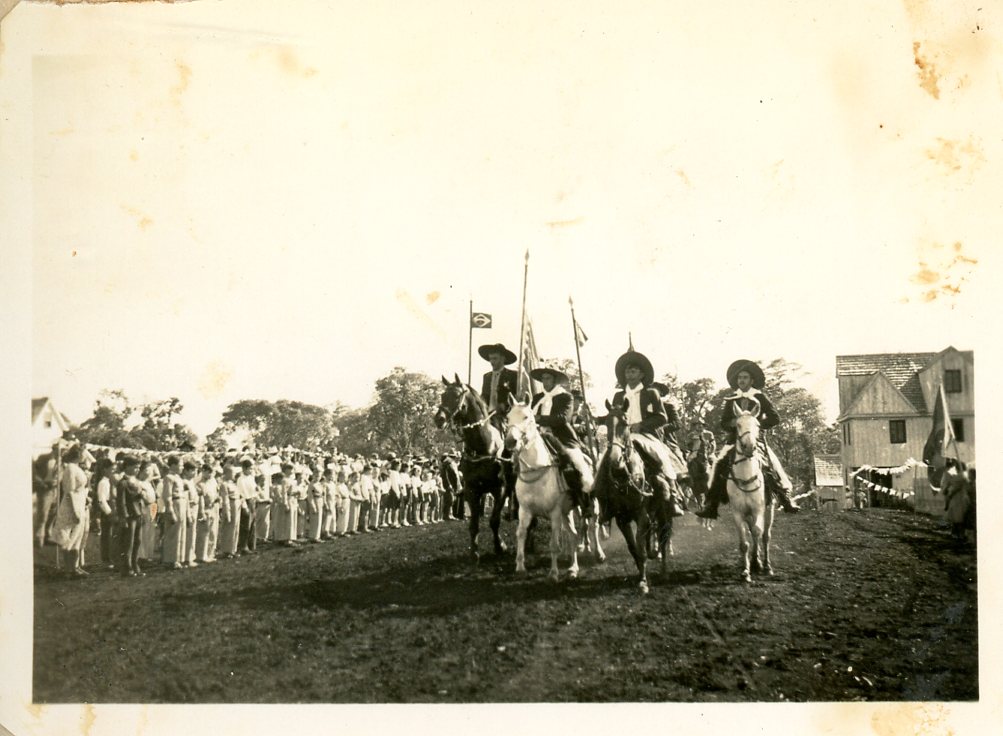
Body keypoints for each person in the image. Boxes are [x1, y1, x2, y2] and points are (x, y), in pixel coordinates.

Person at [696, 359, 800, 519]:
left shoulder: (760, 397)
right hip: (734, 440)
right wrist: (733, 424)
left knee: (772, 464)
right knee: (718, 464)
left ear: (752, 380)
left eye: (745, 377)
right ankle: (711, 505)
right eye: (739, 378)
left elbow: (775, 418)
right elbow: (723, 422)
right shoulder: (732, 398)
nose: (741, 381)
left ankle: (785, 499)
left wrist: (755, 425)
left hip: (755, 440)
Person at [604, 348, 687, 520]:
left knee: (662, 456)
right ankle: (603, 498)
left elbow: (662, 417)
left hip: (647, 435)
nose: (629, 374)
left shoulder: (651, 393)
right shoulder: (618, 396)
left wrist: (641, 425)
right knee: (605, 457)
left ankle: (673, 494)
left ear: (642, 374)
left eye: (633, 371)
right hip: (623, 436)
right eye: (627, 371)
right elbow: (614, 416)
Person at [527, 366, 593, 509]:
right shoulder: (537, 398)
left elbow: (563, 418)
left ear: (555, 380)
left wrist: (539, 418)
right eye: (543, 379)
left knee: (576, 461)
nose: (545, 382)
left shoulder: (566, 397)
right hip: (538, 436)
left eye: (548, 378)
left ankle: (584, 498)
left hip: (561, 437)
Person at [49, 445, 90, 576]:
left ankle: (75, 567)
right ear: (78, 454)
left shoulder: (76, 468)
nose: (85, 456)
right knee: (69, 538)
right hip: (71, 506)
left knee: (77, 536)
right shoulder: (70, 469)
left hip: (80, 503)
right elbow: (69, 492)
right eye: (84, 453)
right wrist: (74, 511)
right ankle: (69, 569)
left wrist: (85, 499)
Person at [115, 454, 151, 577]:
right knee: (128, 543)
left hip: (138, 513)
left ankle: (135, 565)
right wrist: (123, 517)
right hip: (129, 516)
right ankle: (127, 568)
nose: (137, 469)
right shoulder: (123, 483)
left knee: (137, 541)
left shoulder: (136, 481)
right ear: (127, 467)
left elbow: (141, 497)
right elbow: (121, 502)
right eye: (135, 467)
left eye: (138, 467)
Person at [478, 343, 520, 427]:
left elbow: (516, 396)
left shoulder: (512, 375)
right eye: (490, 359)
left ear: (503, 359)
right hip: (487, 415)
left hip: (505, 415)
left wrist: (504, 406)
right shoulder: (487, 376)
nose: (492, 362)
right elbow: (484, 395)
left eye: (495, 358)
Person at [93, 457, 117, 569]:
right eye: (112, 469)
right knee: (107, 535)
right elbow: (101, 500)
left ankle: (111, 558)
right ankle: (106, 559)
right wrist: (109, 512)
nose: (113, 471)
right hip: (107, 511)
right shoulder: (103, 483)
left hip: (112, 507)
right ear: (105, 469)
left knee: (111, 535)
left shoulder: (109, 481)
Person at [237, 458, 258, 554]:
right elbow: (241, 494)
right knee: (246, 525)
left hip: (253, 500)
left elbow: (254, 489)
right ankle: (243, 546)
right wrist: (244, 506)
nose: (251, 470)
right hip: (246, 501)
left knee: (253, 524)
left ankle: (251, 545)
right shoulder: (240, 480)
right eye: (249, 469)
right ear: (244, 468)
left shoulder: (251, 477)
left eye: (252, 469)